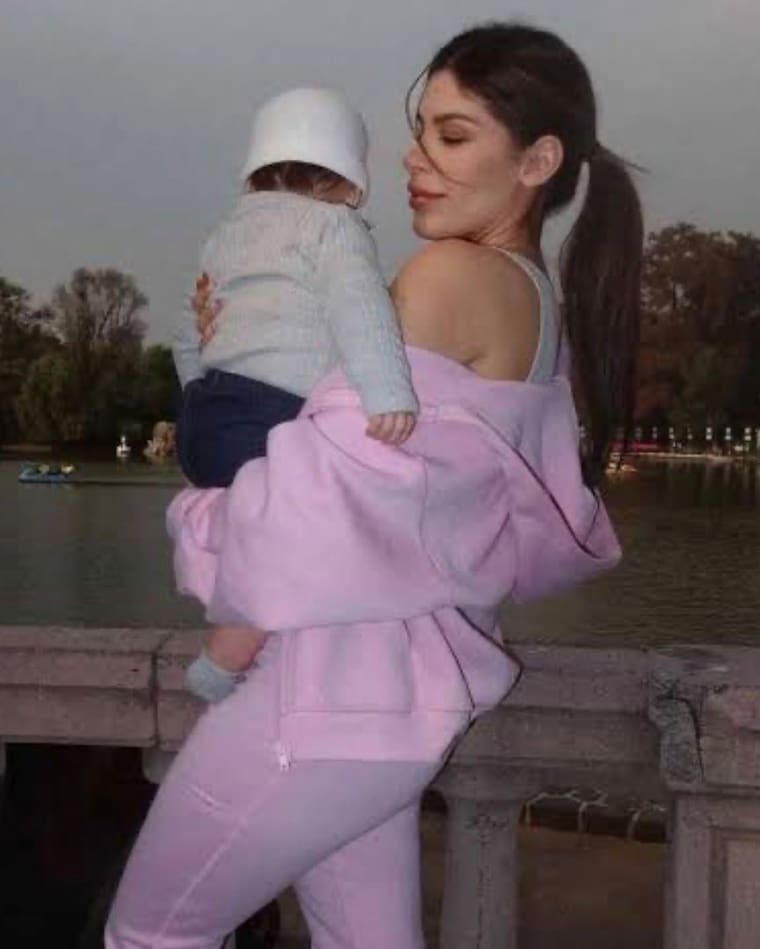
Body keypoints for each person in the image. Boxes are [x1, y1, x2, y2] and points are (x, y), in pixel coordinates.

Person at [106, 22, 642, 949]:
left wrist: (198, 511)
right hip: (389, 710)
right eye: (419, 129)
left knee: (150, 934)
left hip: (320, 696)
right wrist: (226, 352)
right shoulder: (534, 301)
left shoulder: (444, 277)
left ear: (538, 160)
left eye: (453, 134)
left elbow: (304, 513)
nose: (415, 158)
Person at [172, 87, 419, 704]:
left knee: (263, 528)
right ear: (348, 177)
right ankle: (230, 652)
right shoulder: (334, 227)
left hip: (205, 419)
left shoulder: (225, 235)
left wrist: (196, 389)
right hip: (271, 417)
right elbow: (360, 307)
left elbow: (190, 324)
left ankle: (257, 624)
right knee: (320, 524)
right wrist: (387, 392)